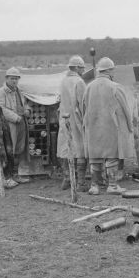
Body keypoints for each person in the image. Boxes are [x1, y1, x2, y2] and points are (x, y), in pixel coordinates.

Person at [82, 57, 133, 195]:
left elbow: (83, 108)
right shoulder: (115, 87)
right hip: (111, 127)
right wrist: (130, 125)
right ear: (109, 70)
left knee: (95, 157)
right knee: (112, 156)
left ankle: (94, 186)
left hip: (92, 127)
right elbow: (126, 108)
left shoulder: (89, 87)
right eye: (113, 70)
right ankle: (112, 185)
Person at [0, 67, 31, 183]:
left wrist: (27, 111)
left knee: (18, 150)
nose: (14, 81)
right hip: (8, 127)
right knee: (8, 150)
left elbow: (25, 104)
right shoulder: (0, 92)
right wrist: (16, 118)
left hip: (20, 125)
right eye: (12, 78)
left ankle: (15, 175)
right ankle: (7, 177)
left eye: (16, 78)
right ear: (7, 78)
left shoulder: (18, 91)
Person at [57, 55, 88, 192]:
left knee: (65, 148)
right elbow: (82, 104)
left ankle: (67, 178)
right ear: (76, 67)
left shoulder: (63, 81)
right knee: (81, 149)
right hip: (76, 120)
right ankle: (81, 182)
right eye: (81, 68)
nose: (83, 70)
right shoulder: (79, 82)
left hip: (64, 120)